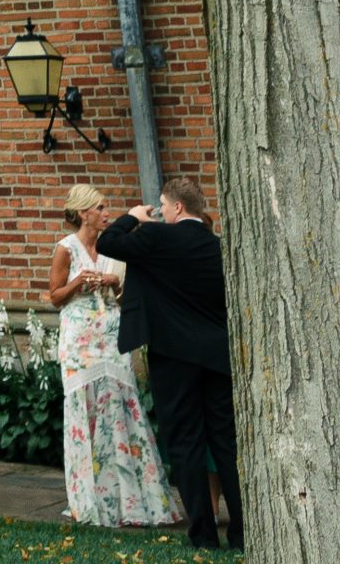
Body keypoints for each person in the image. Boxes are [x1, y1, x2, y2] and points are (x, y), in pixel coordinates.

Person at [99, 177, 243, 552]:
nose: (159, 210)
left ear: (178, 207)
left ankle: (204, 534)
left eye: (162, 204)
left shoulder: (157, 238)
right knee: (226, 444)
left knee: (186, 444)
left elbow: (107, 242)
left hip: (173, 356)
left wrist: (131, 217)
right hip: (217, 357)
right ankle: (242, 530)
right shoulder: (219, 247)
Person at [47, 184, 181, 528]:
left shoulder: (113, 248)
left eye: (106, 207)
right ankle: (90, 500)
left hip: (110, 335)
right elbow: (55, 296)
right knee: (86, 411)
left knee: (122, 407)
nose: (106, 213)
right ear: (82, 213)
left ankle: (133, 500)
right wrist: (78, 282)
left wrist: (113, 282)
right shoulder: (66, 248)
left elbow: (125, 298)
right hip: (79, 341)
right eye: (100, 208)